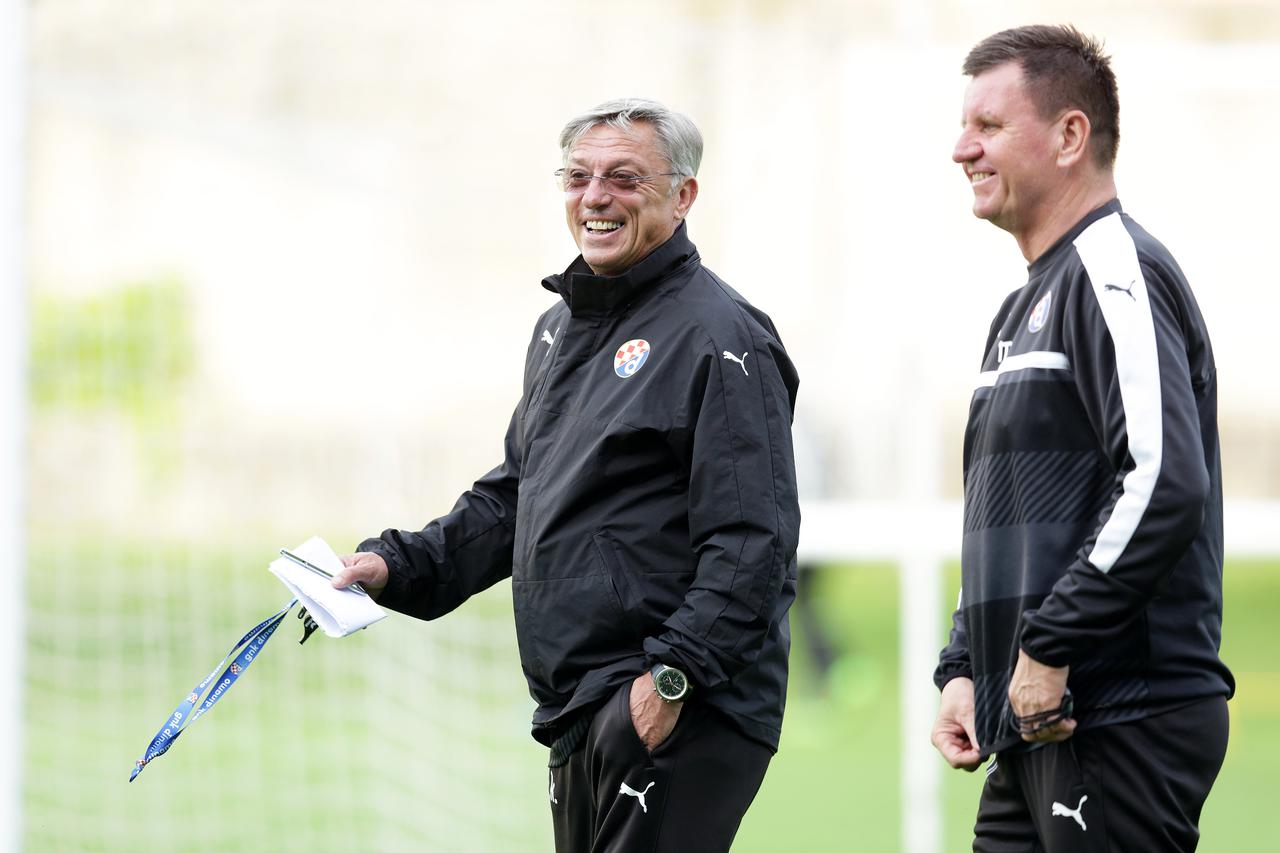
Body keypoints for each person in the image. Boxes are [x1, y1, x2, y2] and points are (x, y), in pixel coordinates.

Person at [333, 98, 800, 852]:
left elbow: (754, 539)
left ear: (683, 196)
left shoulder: (723, 336)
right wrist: (400, 564)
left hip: (674, 702)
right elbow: (518, 495)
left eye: (623, 177)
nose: (595, 197)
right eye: (578, 176)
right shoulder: (560, 328)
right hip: (581, 704)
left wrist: (671, 679)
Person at [931, 25, 1234, 852]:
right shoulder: (1019, 306)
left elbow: (1164, 480)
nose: (962, 148)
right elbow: (1001, 517)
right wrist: (965, 666)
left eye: (989, 126)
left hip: (1119, 713)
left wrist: (1050, 643)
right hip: (1031, 715)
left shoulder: (1113, 267)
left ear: (1070, 135)